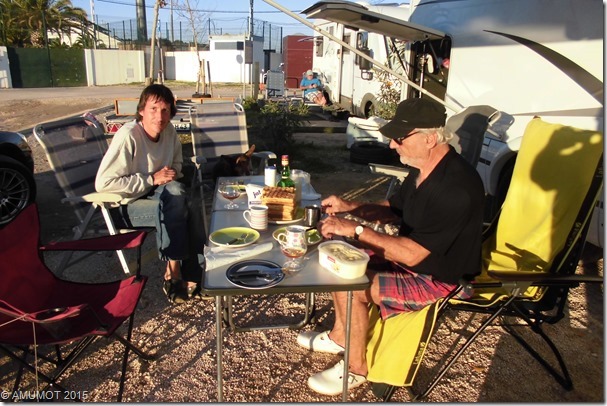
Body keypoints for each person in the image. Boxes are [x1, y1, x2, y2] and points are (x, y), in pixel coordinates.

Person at [296, 98, 485, 395]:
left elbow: (414, 253)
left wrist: (356, 229)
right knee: (340, 255)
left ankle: (356, 368)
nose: (393, 145)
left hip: (438, 278)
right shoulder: (424, 168)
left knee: (354, 283)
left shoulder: (456, 189)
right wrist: (352, 207)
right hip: (411, 258)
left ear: (430, 138)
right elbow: (393, 207)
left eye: (399, 138)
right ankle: (340, 336)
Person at [95, 83, 204, 305]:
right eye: (153, 109)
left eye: (165, 110)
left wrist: (169, 176)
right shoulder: (128, 136)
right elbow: (103, 184)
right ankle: (175, 272)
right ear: (142, 110)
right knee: (177, 203)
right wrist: (151, 179)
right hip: (124, 205)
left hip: (156, 194)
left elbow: (176, 167)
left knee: (184, 198)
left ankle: (191, 271)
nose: (159, 116)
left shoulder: (169, 131)